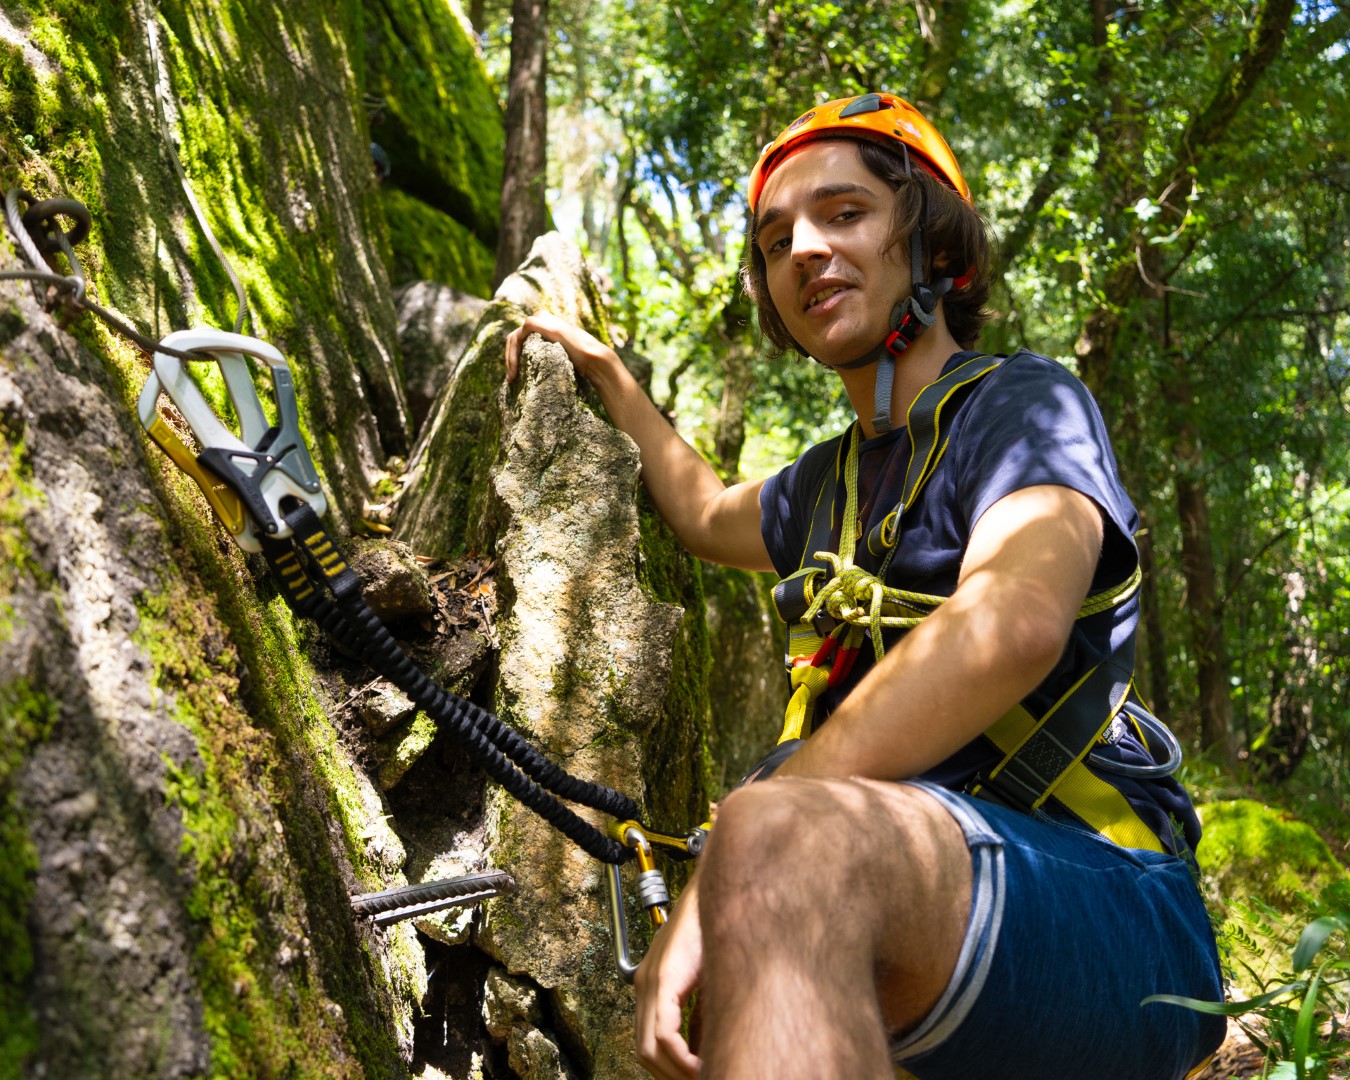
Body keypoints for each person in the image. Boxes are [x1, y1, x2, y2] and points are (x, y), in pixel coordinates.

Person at [504, 92, 1225, 1080]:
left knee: (773, 836)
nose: (803, 248)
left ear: (932, 247)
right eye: (774, 238)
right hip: (932, 902)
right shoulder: (825, 487)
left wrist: (738, 856)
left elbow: (1011, 622)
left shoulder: (1022, 406)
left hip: (1119, 911)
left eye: (845, 214)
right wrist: (609, 377)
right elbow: (706, 513)